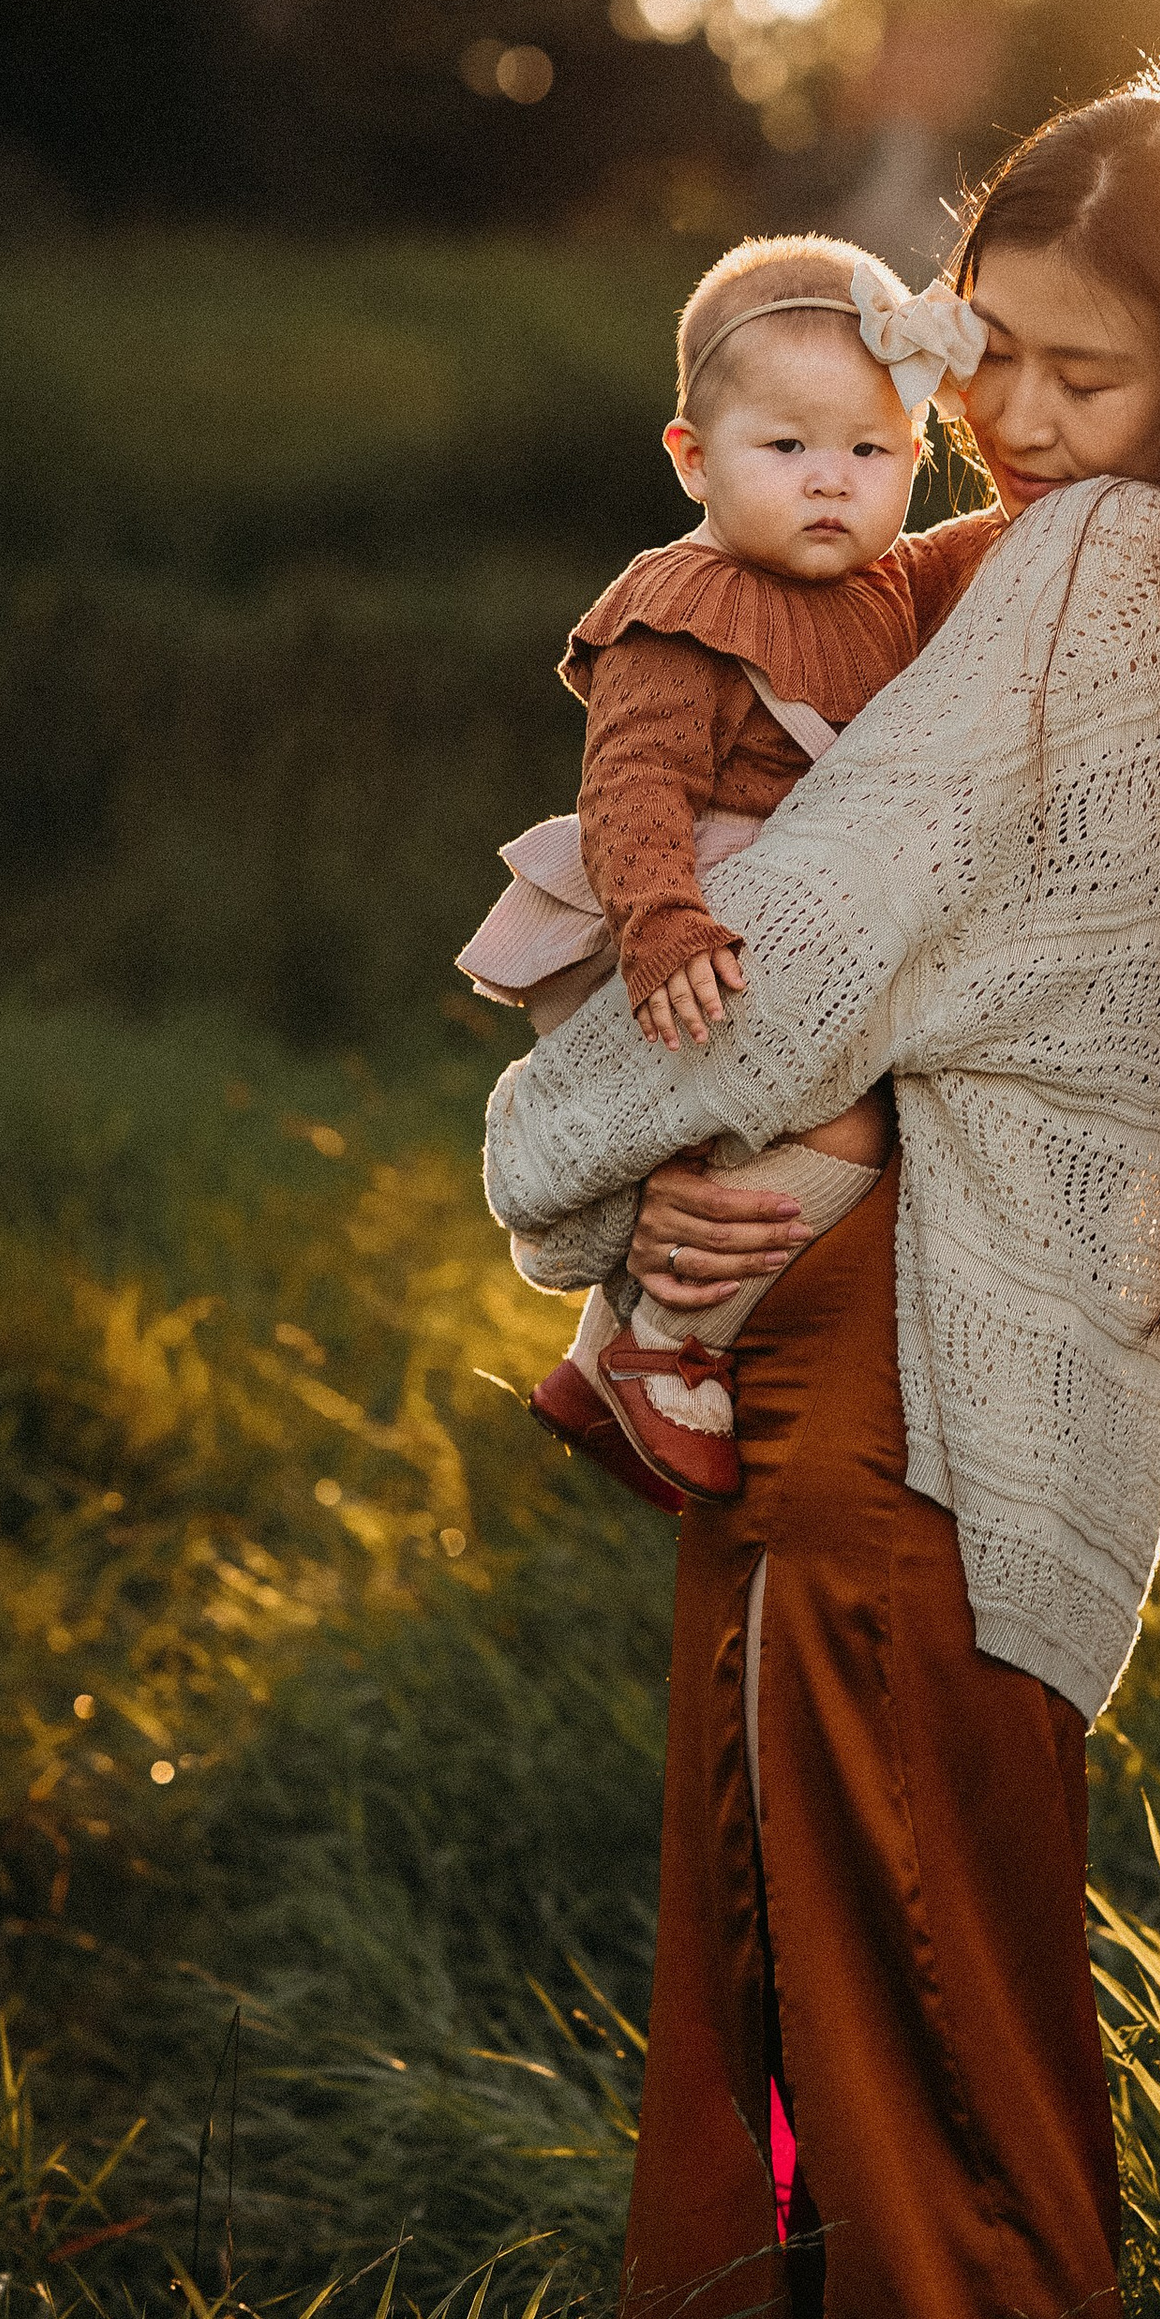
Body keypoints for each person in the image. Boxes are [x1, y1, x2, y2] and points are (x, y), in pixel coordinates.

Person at [484, 75, 1160, 2319]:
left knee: (890, 1972)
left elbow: (791, 968)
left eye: (1094, 383)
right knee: (841, 1935)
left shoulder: (1097, 569)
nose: (1012, 424)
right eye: (998, 353)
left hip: (900, 1401)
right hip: (926, 1376)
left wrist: (534, 1166)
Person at [455, 232, 997, 1505]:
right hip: (694, 928)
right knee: (842, 1131)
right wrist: (661, 926)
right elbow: (630, 784)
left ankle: (597, 1362)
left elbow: (985, 550)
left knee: (791, 1126)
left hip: (799, 929)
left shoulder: (884, 584)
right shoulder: (683, 599)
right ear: (693, 458)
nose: (831, 484)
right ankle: (668, 1344)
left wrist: (1071, 502)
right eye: (788, 448)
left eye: (870, 453)